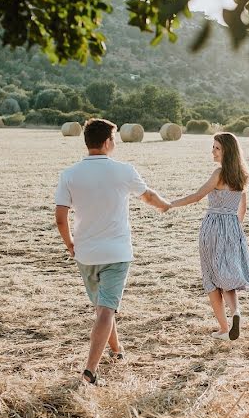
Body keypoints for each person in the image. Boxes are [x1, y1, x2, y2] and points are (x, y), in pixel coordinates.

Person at [55, 118, 169, 385]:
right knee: (106, 310)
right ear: (107, 142)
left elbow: (60, 217)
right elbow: (148, 196)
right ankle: (90, 370)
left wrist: (69, 243)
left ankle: (117, 350)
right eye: (114, 140)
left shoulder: (70, 174)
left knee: (103, 306)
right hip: (117, 253)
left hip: (85, 253)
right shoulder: (123, 170)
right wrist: (166, 206)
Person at [168, 133, 249, 341]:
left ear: (227, 151)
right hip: (233, 228)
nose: (213, 151)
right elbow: (242, 208)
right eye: (213, 147)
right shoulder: (242, 175)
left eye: (217, 148)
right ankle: (236, 312)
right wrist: (235, 231)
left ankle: (225, 329)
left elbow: (197, 196)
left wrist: (171, 204)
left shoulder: (219, 173)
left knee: (211, 277)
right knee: (228, 274)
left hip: (214, 227)